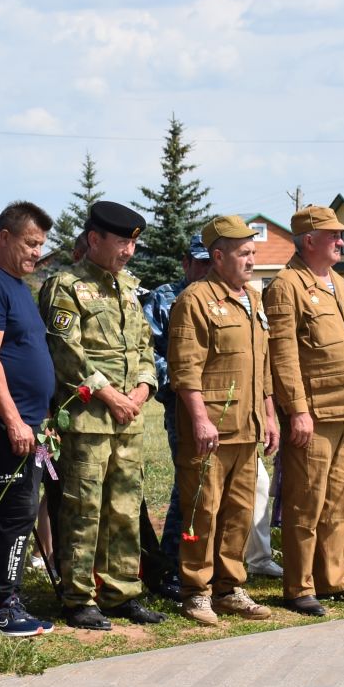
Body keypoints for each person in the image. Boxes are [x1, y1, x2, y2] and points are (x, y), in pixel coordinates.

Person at [39, 201, 161, 630]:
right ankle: (78, 597)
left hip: (129, 420)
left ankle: (122, 590)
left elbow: (144, 347)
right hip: (89, 419)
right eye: (122, 241)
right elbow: (67, 354)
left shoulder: (127, 288)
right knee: (83, 507)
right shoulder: (65, 286)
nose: (129, 250)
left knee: (125, 507)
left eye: (133, 242)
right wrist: (111, 396)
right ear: (94, 239)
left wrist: (143, 389)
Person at [262, 206, 344, 615]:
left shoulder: (339, 287)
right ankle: (300, 587)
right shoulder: (286, 285)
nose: (341, 242)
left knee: (342, 503)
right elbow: (284, 354)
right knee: (305, 502)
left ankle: (334, 579)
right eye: (333, 236)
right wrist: (297, 410)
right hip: (314, 414)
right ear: (309, 240)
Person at [167, 215, 279, 626]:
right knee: (203, 510)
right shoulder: (194, 299)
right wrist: (198, 419)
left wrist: (269, 415)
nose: (251, 260)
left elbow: (262, 366)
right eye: (244, 253)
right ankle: (196, 591)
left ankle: (230, 588)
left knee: (239, 511)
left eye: (253, 252)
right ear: (218, 256)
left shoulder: (253, 297)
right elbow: (185, 368)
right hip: (211, 429)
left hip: (247, 428)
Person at [0, 201, 61, 636]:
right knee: (14, 516)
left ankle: (11, 597)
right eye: (30, 243)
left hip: (30, 422)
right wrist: (13, 419)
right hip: (7, 425)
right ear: (4, 237)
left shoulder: (19, 286)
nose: (36, 252)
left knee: (22, 514)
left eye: (41, 245)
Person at [141, 234, 216, 596]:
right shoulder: (164, 298)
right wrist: (186, 383)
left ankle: (207, 561)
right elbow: (149, 353)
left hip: (224, 405)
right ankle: (171, 565)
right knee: (189, 484)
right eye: (200, 262)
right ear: (185, 262)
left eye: (210, 261)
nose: (206, 269)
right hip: (182, 406)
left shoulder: (224, 296)